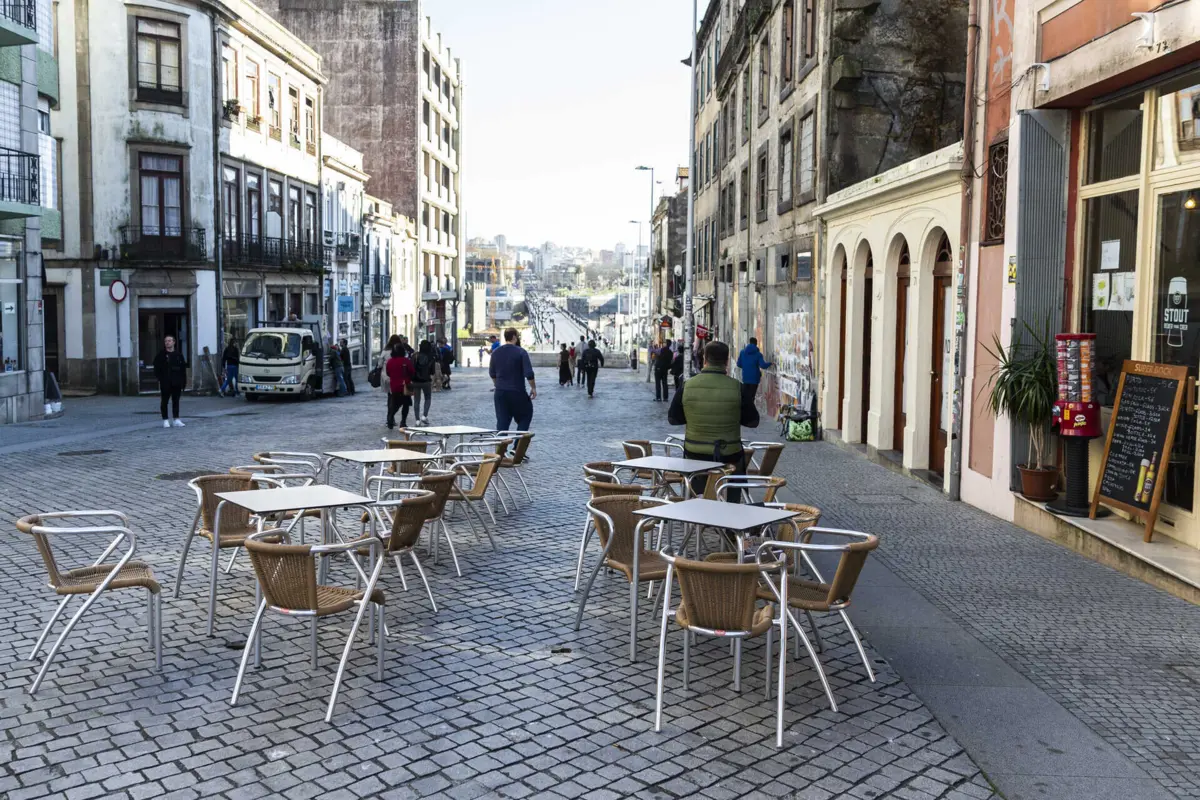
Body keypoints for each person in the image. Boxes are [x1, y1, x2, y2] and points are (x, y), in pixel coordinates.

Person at [668, 341, 759, 501]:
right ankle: (731, 508)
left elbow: (673, 419)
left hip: (695, 454)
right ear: (726, 361)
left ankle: (695, 510)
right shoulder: (738, 387)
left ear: (704, 359)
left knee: (696, 499)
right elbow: (753, 421)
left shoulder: (687, 386)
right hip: (729, 456)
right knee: (731, 498)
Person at [489, 327, 536, 431]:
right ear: (514, 337)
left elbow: (492, 374)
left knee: (502, 423)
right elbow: (529, 374)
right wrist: (533, 388)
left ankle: (501, 441)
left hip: (500, 393)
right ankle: (519, 441)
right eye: (517, 336)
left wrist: (498, 385)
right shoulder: (521, 352)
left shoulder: (495, 352)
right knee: (525, 415)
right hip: (517, 392)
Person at [153, 335, 189, 428]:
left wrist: (183, 382)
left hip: (176, 382)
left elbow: (183, 369)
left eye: (169, 341)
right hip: (166, 382)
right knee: (164, 401)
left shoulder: (178, 355)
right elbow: (156, 368)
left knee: (176, 401)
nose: (167, 343)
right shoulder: (161, 355)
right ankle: (165, 419)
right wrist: (160, 378)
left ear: (174, 342)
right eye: (166, 341)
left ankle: (176, 419)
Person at [385, 343, 415, 429]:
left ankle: (390, 417)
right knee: (405, 404)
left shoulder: (390, 361)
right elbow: (412, 371)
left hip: (394, 386)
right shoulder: (406, 361)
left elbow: (388, 373)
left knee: (395, 403)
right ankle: (403, 422)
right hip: (405, 385)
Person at [736, 337, 772, 405]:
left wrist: (746, 366)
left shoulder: (742, 352)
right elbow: (763, 365)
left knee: (745, 397)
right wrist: (770, 363)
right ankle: (750, 410)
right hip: (754, 379)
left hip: (745, 378)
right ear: (756, 344)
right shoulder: (758, 354)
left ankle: (745, 410)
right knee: (751, 397)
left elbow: (738, 364)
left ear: (749, 342)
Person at [411, 340, 437, 424]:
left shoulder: (415, 356)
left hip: (415, 381)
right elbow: (432, 372)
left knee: (416, 400)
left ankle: (417, 420)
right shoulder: (431, 357)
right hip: (426, 381)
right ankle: (424, 416)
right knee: (428, 398)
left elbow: (411, 368)